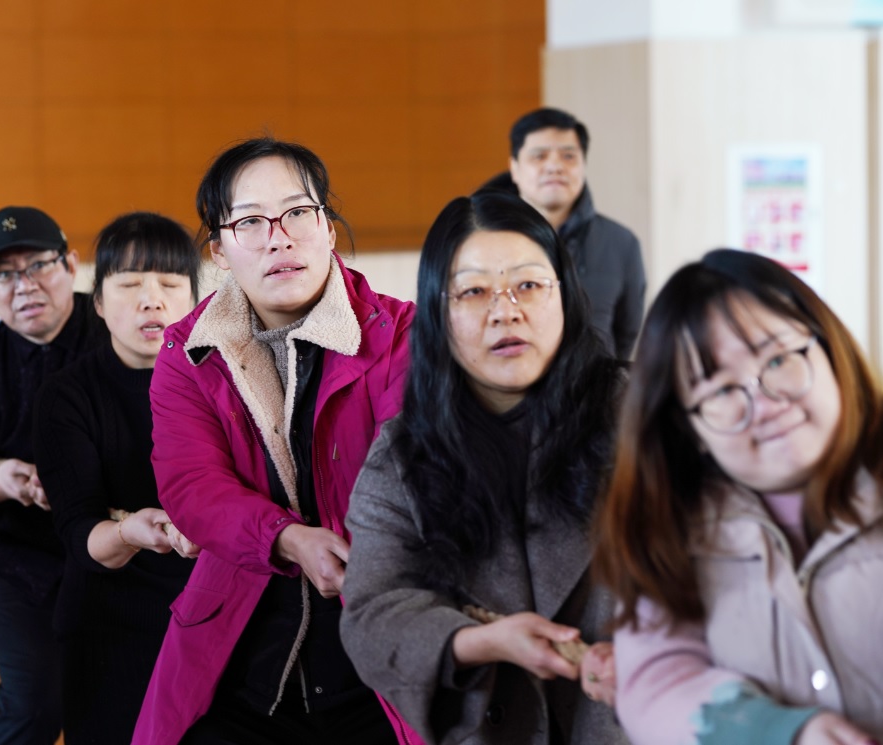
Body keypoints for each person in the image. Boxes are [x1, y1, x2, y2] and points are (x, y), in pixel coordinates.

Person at [130, 138, 416, 745]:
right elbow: (192, 485)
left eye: (297, 213)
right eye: (251, 222)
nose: (278, 239)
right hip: (245, 649)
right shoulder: (188, 352)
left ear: (328, 228)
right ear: (220, 249)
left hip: (380, 639)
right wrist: (286, 538)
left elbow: (414, 471)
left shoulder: (402, 333)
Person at [339, 191, 625, 744]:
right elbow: (372, 616)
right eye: (473, 291)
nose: (505, 310)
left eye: (528, 285)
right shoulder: (405, 453)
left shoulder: (640, 416)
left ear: (565, 294)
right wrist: (480, 642)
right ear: (437, 312)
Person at [594, 249, 883, 743]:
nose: (766, 403)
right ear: (690, 429)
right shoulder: (670, 531)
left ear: (828, 349)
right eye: (722, 391)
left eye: (779, 359)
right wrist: (775, 731)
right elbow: (657, 682)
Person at [0, 206, 107, 744]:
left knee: (128, 707)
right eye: (5, 275)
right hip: (26, 567)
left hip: (127, 557)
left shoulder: (117, 334)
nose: (25, 286)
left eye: (39, 265)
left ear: (71, 265)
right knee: (32, 709)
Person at [33, 211, 202, 744]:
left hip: (209, 606)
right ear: (100, 302)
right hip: (107, 614)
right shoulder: (66, 395)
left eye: (170, 284)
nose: (152, 300)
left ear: (195, 300)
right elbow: (79, 530)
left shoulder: (225, 381)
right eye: (129, 284)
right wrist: (131, 531)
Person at [479, 107, 645, 359]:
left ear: (583, 165)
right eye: (539, 156)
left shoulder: (621, 243)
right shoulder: (480, 241)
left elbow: (626, 335)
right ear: (514, 168)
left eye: (568, 156)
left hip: (593, 381)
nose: (555, 166)